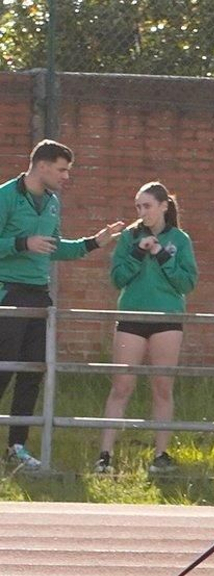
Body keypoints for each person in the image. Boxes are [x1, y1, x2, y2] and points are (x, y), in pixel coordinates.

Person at [0, 140, 123, 472]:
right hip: (8, 295)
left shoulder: (53, 202)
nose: (67, 176)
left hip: (40, 295)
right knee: (3, 372)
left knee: (33, 374)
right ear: (41, 166)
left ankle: (17, 447)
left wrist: (94, 242)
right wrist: (22, 243)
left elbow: (54, 248)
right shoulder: (7, 195)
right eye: (62, 169)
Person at [98, 182, 198, 474]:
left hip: (167, 318)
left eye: (148, 206)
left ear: (164, 206)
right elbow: (117, 278)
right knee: (121, 386)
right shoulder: (129, 237)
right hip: (131, 316)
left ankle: (161, 455)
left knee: (162, 387)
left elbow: (187, 282)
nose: (142, 212)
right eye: (138, 207)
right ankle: (105, 454)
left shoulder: (180, 239)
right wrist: (138, 254)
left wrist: (162, 255)